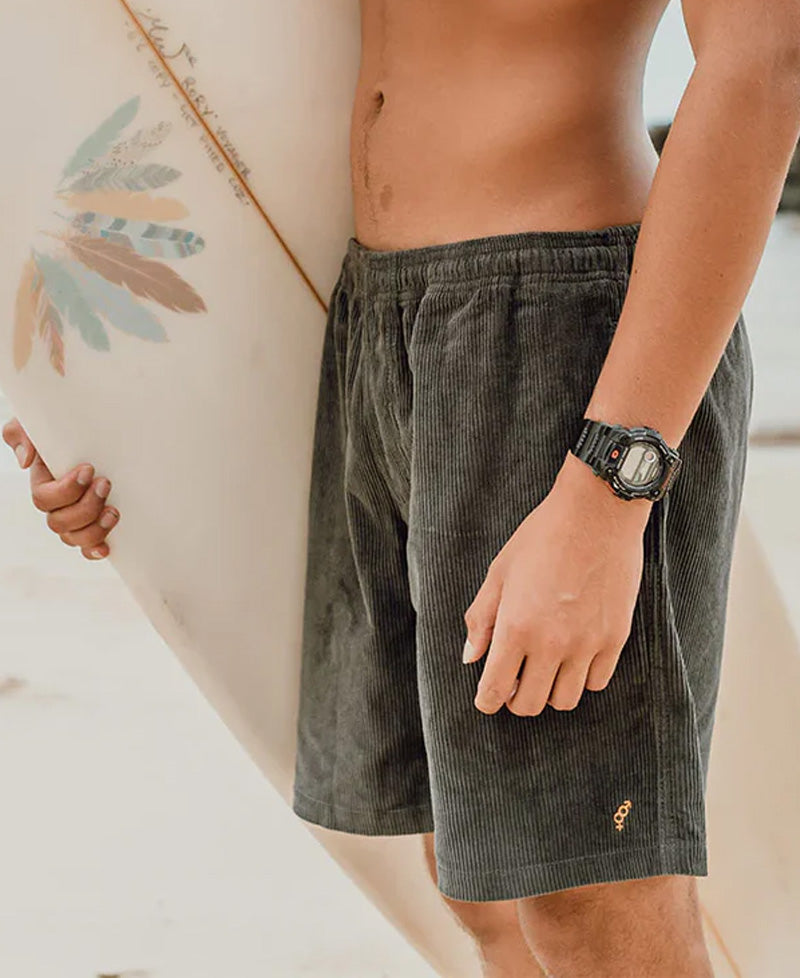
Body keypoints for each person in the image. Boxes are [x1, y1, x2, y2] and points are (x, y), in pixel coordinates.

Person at [5, 1, 800, 975]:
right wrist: (97, 407)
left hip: (559, 326)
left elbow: (764, 67)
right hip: (374, 320)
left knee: (581, 894)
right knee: (477, 888)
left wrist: (609, 485)